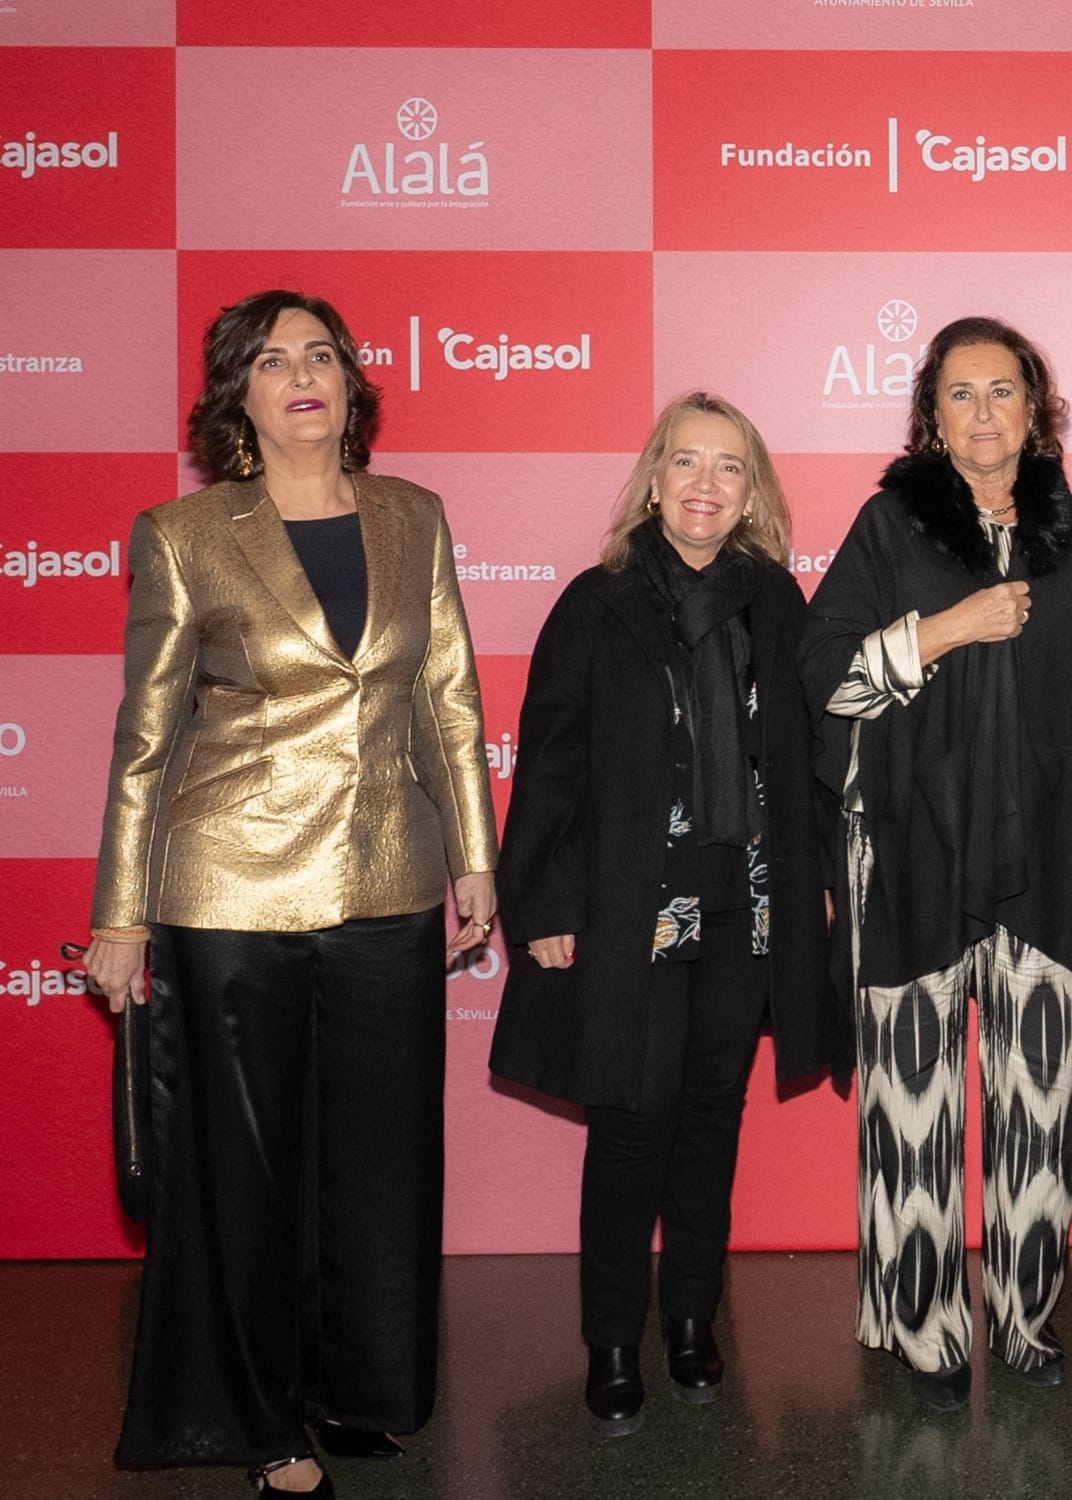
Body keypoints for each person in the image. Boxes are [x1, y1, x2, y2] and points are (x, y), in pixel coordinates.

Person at [82, 290, 498, 1497]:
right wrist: (120, 913)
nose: (302, 374)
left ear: (352, 387)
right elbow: (145, 739)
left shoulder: (415, 517)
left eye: (322, 355)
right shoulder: (183, 532)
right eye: (273, 360)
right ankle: (262, 1417)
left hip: (387, 877)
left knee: (380, 1159)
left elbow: (451, 700)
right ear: (239, 398)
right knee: (248, 1172)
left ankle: (359, 1390)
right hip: (232, 887)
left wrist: (473, 856)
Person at [800, 316, 1072, 1412]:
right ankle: (923, 1328)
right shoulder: (887, 529)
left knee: (1042, 1107)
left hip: (1050, 865)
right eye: (961, 394)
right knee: (912, 1113)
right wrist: (943, 630)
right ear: (931, 417)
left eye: (1004, 390)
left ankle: (1024, 1313)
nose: (985, 412)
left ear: (1037, 409)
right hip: (914, 860)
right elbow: (825, 679)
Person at [487, 393, 840, 1436]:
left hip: (746, 910)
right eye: (685, 463)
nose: (704, 484)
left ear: (752, 492)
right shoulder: (595, 605)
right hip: (633, 908)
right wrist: (540, 900)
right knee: (632, 1125)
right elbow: (548, 764)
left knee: (708, 1122)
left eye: (728, 468)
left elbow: (811, 759)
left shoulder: (777, 602)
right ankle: (609, 1339)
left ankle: (690, 1318)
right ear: (653, 479)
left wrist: (815, 875)